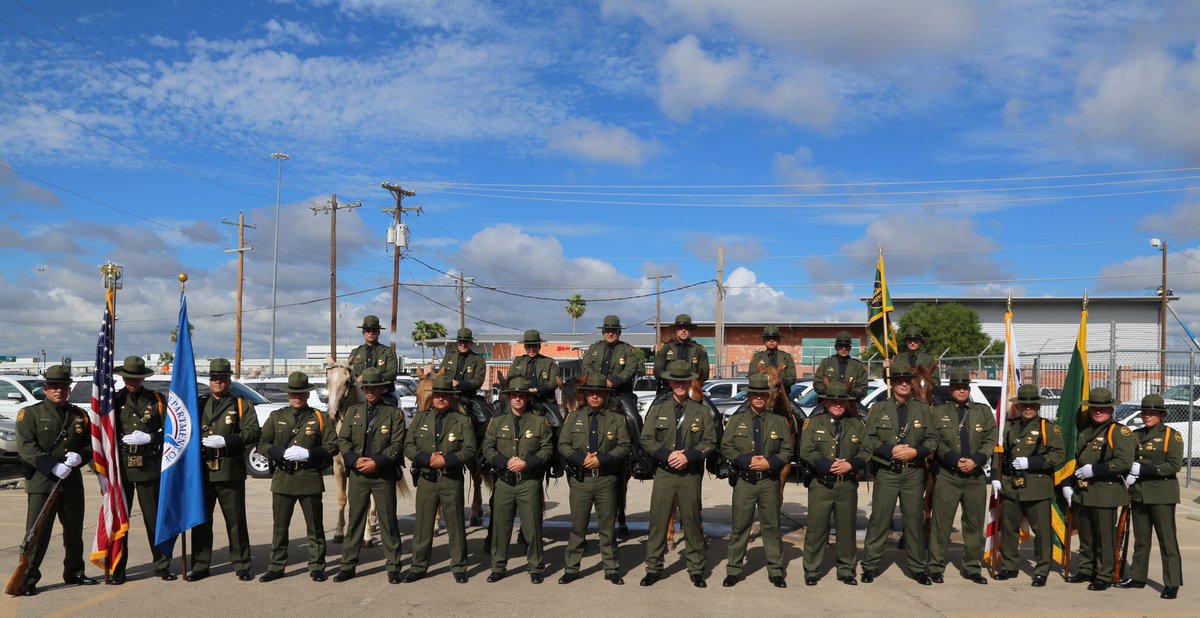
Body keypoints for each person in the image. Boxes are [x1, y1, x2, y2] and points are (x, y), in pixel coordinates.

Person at [13, 365, 98, 596]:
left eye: (62, 386)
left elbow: (91, 444)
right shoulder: (30, 414)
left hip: (70, 482)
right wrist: (52, 466)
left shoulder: (79, 415)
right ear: (46, 388)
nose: (58, 391)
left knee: (73, 531)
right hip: (42, 483)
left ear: (68, 388)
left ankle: (74, 572)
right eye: (53, 387)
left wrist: (81, 456)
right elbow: (26, 447)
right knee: (37, 533)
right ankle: (29, 577)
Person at [639, 360, 717, 589]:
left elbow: (710, 441)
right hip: (665, 473)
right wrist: (665, 455)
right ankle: (653, 568)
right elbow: (646, 438)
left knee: (692, 522)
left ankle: (696, 569)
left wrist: (689, 456)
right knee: (658, 521)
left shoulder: (701, 411)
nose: (680, 385)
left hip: (690, 474)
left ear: (689, 382)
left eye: (684, 381)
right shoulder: (659, 409)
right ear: (671, 382)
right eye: (676, 381)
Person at [860, 359, 937, 585]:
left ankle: (917, 567)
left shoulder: (922, 410)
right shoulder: (879, 409)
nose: (904, 384)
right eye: (899, 381)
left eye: (907, 381)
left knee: (913, 520)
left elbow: (933, 440)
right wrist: (890, 450)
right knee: (880, 520)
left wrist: (915, 451)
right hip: (887, 472)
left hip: (913, 472)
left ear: (912, 384)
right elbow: (869, 439)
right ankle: (870, 566)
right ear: (891, 384)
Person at [258, 372, 338, 582]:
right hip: (283, 477)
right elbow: (263, 443)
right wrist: (279, 453)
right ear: (288, 394)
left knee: (315, 527)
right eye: (293, 393)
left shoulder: (319, 418)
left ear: (306, 394)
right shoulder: (277, 416)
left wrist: (310, 453)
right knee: (280, 527)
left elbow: (333, 445)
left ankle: (317, 566)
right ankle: (276, 566)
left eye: (301, 393)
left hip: (309, 477)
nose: (297, 397)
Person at [188, 358, 261, 582]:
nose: (218, 382)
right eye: (214, 378)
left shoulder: (241, 405)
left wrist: (227, 441)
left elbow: (252, 432)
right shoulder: (198, 405)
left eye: (222, 378)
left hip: (229, 468)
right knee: (201, 520)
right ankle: (200, 564)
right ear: (209, 381)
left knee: (236, 520)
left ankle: (242, 564)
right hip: (202, 471)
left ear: (229, 380)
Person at [333, 367, 407, 584]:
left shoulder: (394, 414)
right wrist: (354, 460)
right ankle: (347, 566)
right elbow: (343, 440)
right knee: (355, 521)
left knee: (388, 521)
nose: (370, 392)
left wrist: (377, 461)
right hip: (358, 475)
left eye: (374, 388)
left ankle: (393, 566)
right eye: (367, 388)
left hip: (382, 475)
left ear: (382, 389)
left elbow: (397, 444)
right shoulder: (353, 412)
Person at [721, 373, 793, 589]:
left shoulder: (779, 421)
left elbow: (788, 449)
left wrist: (770, 464)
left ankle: (776, 570)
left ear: (768, 395)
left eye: (763, 394)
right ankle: (734, 569)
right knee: (740, 526)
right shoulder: (736, 420)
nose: (759, 398)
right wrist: (746, 460)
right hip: (745, 482)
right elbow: (726, 446)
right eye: (755, 394)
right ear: (749, 396)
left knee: (771, 526)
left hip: (769, 482)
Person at [557, 374, 631, 585]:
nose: (595, 396)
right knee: (577, 527)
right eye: (591, 393)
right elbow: (563, 445)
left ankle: (611, 568)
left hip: (605, 479)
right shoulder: (573, 417)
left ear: (605, 395)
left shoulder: (616, 419)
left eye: (599, 393)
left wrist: (602, 459)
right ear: (586, 395)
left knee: (607, 527)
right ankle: (571, 568)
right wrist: (581, 459)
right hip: (581, 481)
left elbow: (624, 446)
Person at [404, 375, 477, 583]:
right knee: (423, 526)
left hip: (450, 479)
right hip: (427, 479)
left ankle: (459, 566)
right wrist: (427, 458)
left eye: (445, 395)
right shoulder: (420, 419)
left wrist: (447, 460)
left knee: (455, 525)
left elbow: (470, 449)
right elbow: (408, 446)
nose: (441, 399)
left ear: (451, 397)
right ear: (433, 397)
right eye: (438, 395)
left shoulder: (462, 421)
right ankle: (418, 566)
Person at [481, 377, 554, 583]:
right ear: (509, 398)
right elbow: (487, 448)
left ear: (528, 399)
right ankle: (498, 566)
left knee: (532, 526)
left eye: (522, 396)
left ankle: (535, 566)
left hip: (528, 481)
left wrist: (527, 463)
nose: (518, 399)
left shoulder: (540, 422)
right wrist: (504, 462)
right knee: (500, 526)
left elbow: (547, 449)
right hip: (504, 481)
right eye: (515, 396)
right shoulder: (497, 422)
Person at [928, 368, 997, 585]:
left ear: (969, 389)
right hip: (949, 475)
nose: (961, 390)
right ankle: (936, 566)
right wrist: (952, 459)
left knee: (974, 524)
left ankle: (971, 567)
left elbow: (991, 438)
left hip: (975, 476)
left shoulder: (983, 412)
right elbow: (934, 439)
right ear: (951, 390)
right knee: (942, 523)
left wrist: (977, 459)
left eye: (964, 387)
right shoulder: (938, 412)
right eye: (957, 387)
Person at [991, 384, 1064, 587]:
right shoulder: (1008, 426)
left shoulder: (1048, 427)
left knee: (1041, 531)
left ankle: (1041, 569)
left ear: (1038, 406)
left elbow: (1058, 454)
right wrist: (996, 476)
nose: (1028, 408)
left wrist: (1031, 463)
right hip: (1011, 484)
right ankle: (1009, 566)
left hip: (1036, 485)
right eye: (1024, 405)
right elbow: (998, 451)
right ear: (1019, 406)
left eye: (1032, 405)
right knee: (1009, 529)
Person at [1063, 387, 1135, 591]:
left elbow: (1123, 462)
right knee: (1086, 536)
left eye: (1103, 408)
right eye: (1094, 408)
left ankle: (1104, 574)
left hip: (1106, 492)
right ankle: (1086, 569)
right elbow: (1075, 459)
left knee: (1105, 537)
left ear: (1111, 409)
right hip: (1084, 492)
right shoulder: (1086, 430)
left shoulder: (1119, 432)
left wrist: (1095, 470)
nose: (1098, 411)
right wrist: (1068, 483)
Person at [111, 355, 174, 583]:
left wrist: (150, 437)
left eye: (137, 379)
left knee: (154, 519)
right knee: (120, 520)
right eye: (129, 378)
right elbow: (105, 433)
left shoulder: (156, 399)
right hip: (122, 469)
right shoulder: (114, 400)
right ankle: (118, 567)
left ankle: (162, 564)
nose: (133, 382)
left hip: (148, 466)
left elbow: (169, 430)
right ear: (123, 377)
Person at [800, 381, 868, 586]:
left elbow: (866, 450)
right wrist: (828, 464)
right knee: (816, 528)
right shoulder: (813, 423)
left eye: (842, 402)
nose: (838, 405)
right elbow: (806, 450)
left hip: (846, 484)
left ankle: (846, 569)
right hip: (821, 484)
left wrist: (851, 464)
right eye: (834, 401)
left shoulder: (856, 424)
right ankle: (812, 569)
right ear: (826, 402)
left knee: (847, 529)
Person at [1117, 394, 1183, 599]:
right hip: (1139, 494)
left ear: (1161, 415)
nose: (1147, 416)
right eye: (1145, 412)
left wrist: (1145, 470)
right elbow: (1126, 459)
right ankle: (1138, 577)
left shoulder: (1172, 436)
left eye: (1152, 413)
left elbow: (1174, 465)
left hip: (1162, 494)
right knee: (1141, 539)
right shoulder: (1135, 435)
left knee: (1167, 540)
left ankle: (1172, 582)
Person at [580, 314, 642, 433]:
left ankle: (638, 449)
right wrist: (601, 381)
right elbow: (586, 367)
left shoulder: (627, 349)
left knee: (634, 419)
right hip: (596, 391)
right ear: (603, 332)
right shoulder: (593, 348)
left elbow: (631, 369)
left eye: (613, 331)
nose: (610, 334)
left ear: (619, 332)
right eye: (607, 331)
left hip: (620, 393)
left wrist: (614, 381)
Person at [438, 327, 490, 425]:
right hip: (447, 395)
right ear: (457, 343)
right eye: (460, 342)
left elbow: (478, 381)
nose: (463, 344)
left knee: (484, 419)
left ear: (471, 343)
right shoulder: (448, 357)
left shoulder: (479, 360)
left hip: (468, 397)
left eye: (466, 342)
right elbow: (440, 375)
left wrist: (459, 383)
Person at [347, 315, 399, 404]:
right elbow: (348, 373)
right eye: (368, 330)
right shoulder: (355, 352)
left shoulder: (388, 352)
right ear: (363, 332)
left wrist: (369, 377)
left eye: (374, 330)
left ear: (378, 333)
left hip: (384, 395)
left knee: (393, 412)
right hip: (360, 395)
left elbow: (392, 374)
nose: (371, 333)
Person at [508, 329, 560, 416]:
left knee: (558, 423)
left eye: (534, 346)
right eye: (528, 346)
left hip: (545, 400)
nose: (531, 349)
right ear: (525, 347)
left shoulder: (549, 362)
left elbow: (554, 382)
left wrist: (537, 390)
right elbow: (510, 379)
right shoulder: (518, 361)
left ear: (539, 346)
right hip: (523, 399)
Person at [653, 314, 710, 387]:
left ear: (690, 330)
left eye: (686, 328)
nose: (683, 330)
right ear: (675, 330)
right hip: (669, 389)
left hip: (691, 389)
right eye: (680, 328)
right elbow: (658, 371)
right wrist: (674, 381)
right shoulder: (665, 348)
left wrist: (688, 382)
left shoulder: (699, 349)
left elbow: (704, 374)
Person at [813, 331, 869, 400]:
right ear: (836, 347)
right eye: (841, 346)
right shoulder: (826, 363)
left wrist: (849, 393)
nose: (844, 348)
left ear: (850, 347)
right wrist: (830, 392)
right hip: (828, 402)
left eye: (846, 346)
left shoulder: (858, 366)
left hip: (850, 403)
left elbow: (863, 387)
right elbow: (817, 383)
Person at [748, 326, 797, 393]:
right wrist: (768, 380)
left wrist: (779, 382)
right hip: (762, 394)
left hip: (782, 394)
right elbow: (751, 376)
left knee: (792, 404)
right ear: (764, 340)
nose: (771, 341)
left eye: (774, 338)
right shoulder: (757, 357)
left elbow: (792, 377)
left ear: (779, 340)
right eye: (768, 338)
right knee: (746, 403)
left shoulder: (787, 357)